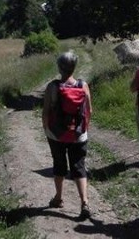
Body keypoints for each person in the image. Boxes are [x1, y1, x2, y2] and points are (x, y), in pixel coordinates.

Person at [42, 51, 93, 220]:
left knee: (59, 165)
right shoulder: (83, 85)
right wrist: (84, 129)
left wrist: (46, 130)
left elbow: (46, 112)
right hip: (78, 134)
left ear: (59, 67)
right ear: (74, 67)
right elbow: (89, 110)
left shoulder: (52, 87)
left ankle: (58, 198)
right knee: (79, 166)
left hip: (57, 134)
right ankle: (84, 202)